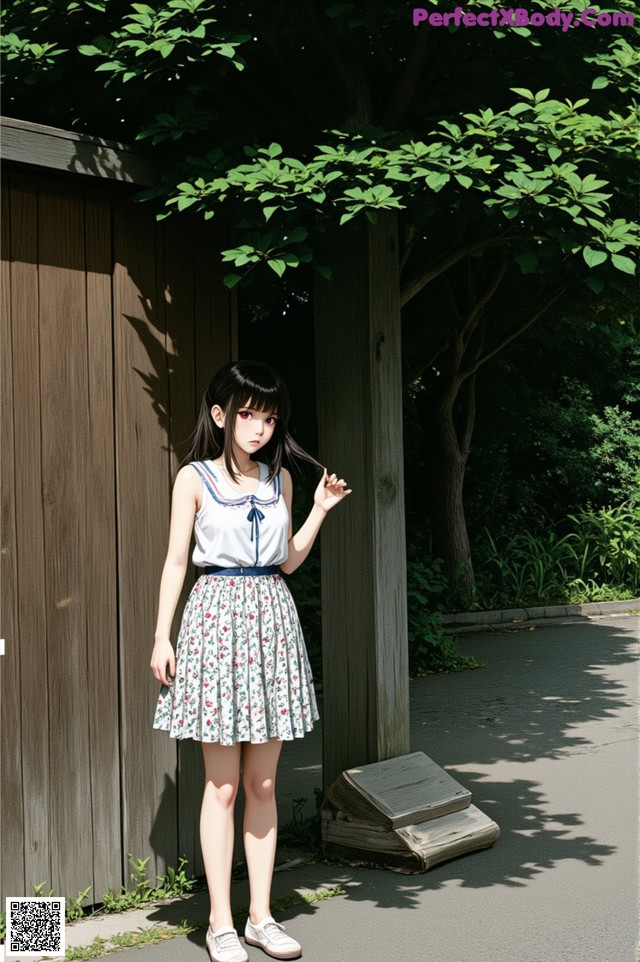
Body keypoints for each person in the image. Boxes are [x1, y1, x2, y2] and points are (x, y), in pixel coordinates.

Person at [150, 360, 351, 962]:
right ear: (221, 416)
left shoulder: (281, 480)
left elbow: (287, 562)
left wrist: (317, 509)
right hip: (215, 621)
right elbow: (175, 563)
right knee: (222, 784)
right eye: (246, 414)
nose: (259, 427)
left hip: (270, 619)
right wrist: (162, 637)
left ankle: (261, 916)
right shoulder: (193, 479)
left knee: (263, 781)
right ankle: (220, 923)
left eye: (268, 417)